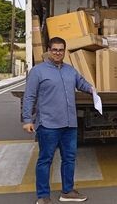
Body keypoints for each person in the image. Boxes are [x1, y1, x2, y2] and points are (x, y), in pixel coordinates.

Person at [22, 37, 94, 204]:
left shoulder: (70, 70)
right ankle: (43, 196)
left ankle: (67, 191)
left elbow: (81, 83)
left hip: (69, 124)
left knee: (69, 158)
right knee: (45, 160)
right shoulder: (38, 71)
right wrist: (27, 119)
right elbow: (29, 97)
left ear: (64, 51)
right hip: (48, 125)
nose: (58, 53)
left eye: (61, 50)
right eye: (54, 49)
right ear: (48, 50)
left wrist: (91, 89)